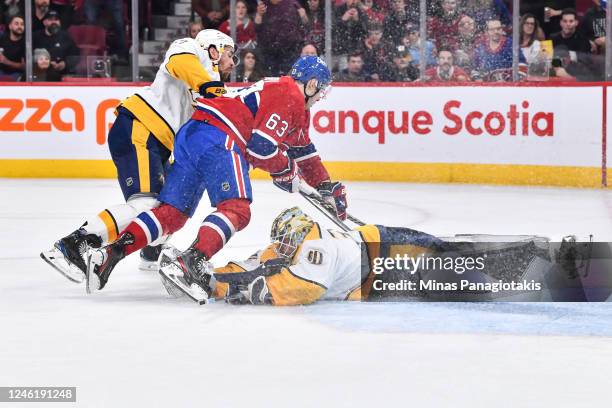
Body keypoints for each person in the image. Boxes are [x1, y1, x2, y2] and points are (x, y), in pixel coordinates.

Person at [85, 56, 348, 294]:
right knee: (237, 210)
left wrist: (325, 186)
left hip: (194, 134)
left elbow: (304, 152)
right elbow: (261, 148)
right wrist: (285, 171)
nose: (321, 96)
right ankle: (191, 262)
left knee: (172, 214)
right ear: (312, 84)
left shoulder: (290, 100)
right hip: (221, 138)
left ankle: (111, 253)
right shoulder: (289, 94)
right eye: (321, 89)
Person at [40, 30, 237, 282]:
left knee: (169, 206)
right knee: (146, 206)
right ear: (214, 48)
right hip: (140, 130)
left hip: (156, 143)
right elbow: (180, 63)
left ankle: (151, 250)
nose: (232, 63)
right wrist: (210, 88)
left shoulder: (212, 90)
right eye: (230, 55)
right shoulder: (191, 49)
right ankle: (73, 245)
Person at [159, 206, 582, 305]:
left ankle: (540, 257)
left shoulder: (314, 252)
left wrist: (215, 288)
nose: (281, 250)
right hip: (375, 246)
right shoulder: (296, 239)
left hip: (385, 265)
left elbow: (295, 291)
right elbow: (258, 262)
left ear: (302, 237)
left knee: (458, 264)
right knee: (453, 253)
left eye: (287, 244)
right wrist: (211, 271)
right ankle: (539, 254)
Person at [255, 0, 307, 76]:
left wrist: (303, 16)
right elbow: (257, 28)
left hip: (290, 52)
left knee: (290, 79)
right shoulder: (263, 6)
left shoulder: (293, 3)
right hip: (270, 54)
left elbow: (305, 23)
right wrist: (259, 15)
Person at [32, 10, 79, 79]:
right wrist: (46, 63)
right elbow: (28, 57)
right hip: (41, 75)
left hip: (62, 75)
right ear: (44, 22)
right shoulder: (35, 37)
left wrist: (65, 64)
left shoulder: (66, 37)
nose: (54, 22)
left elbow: (75, 56)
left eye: (56, 20)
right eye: (50, 20)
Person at [0, 14, 25, 80]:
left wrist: (6, 61)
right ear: (10, 26)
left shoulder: (25, 42)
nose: (20, 26)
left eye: (22, 24)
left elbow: (24, 66)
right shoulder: (3, 38)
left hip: (17, 73)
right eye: (16, 24)